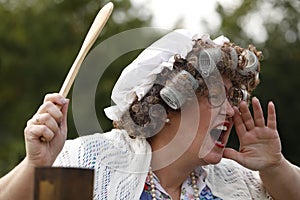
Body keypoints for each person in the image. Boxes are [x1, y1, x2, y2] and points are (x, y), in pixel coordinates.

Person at [1, 29, 300, 200]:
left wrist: (275, 167)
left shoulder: (235, 181)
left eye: (232, 97)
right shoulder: (96, 164)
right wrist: (35, 167)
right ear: (166, 105)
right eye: (214, 96)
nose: (231, 110)